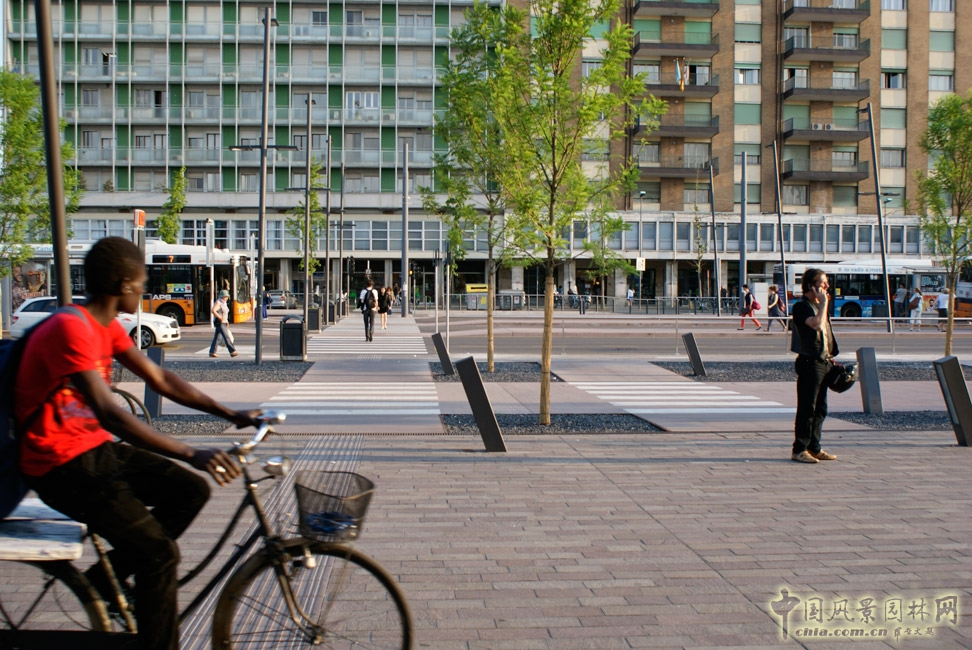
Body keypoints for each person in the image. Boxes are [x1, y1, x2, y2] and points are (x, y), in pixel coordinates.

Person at [14, 236, 256, 650]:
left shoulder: (103, 326)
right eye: (141, 283)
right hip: (59, 465)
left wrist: (231, 414)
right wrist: (190, 451)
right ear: (123, 284)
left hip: (90, 451)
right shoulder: (72, 328)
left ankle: (103, 580)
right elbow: (112, 415)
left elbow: (160, 379)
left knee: (189, 491)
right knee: (159, 556)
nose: (144, 290)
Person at [790, 267, 839, 464]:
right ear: (812, 286)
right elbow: (817, 325)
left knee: (820, 409)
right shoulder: (802, 307)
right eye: (823, 283)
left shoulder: (818, 306)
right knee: (807, 408)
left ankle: (814, 447)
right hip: (810, 363)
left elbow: (825, 335)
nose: (827, 286)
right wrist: (824, 302)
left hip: (823, 361)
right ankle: (799, 449)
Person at [209, 289, 238, 357]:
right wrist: (220, 317)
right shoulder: (218, 302)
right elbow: (213, 310)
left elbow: (224, 313)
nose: (227, 298)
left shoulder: (223, 303)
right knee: (226, 336)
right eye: (226, 296)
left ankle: (212, 352)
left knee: (216, 338)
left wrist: (226, 320)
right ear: (223, 297)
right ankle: (232, 351)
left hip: (223, 322)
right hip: (220, 322)